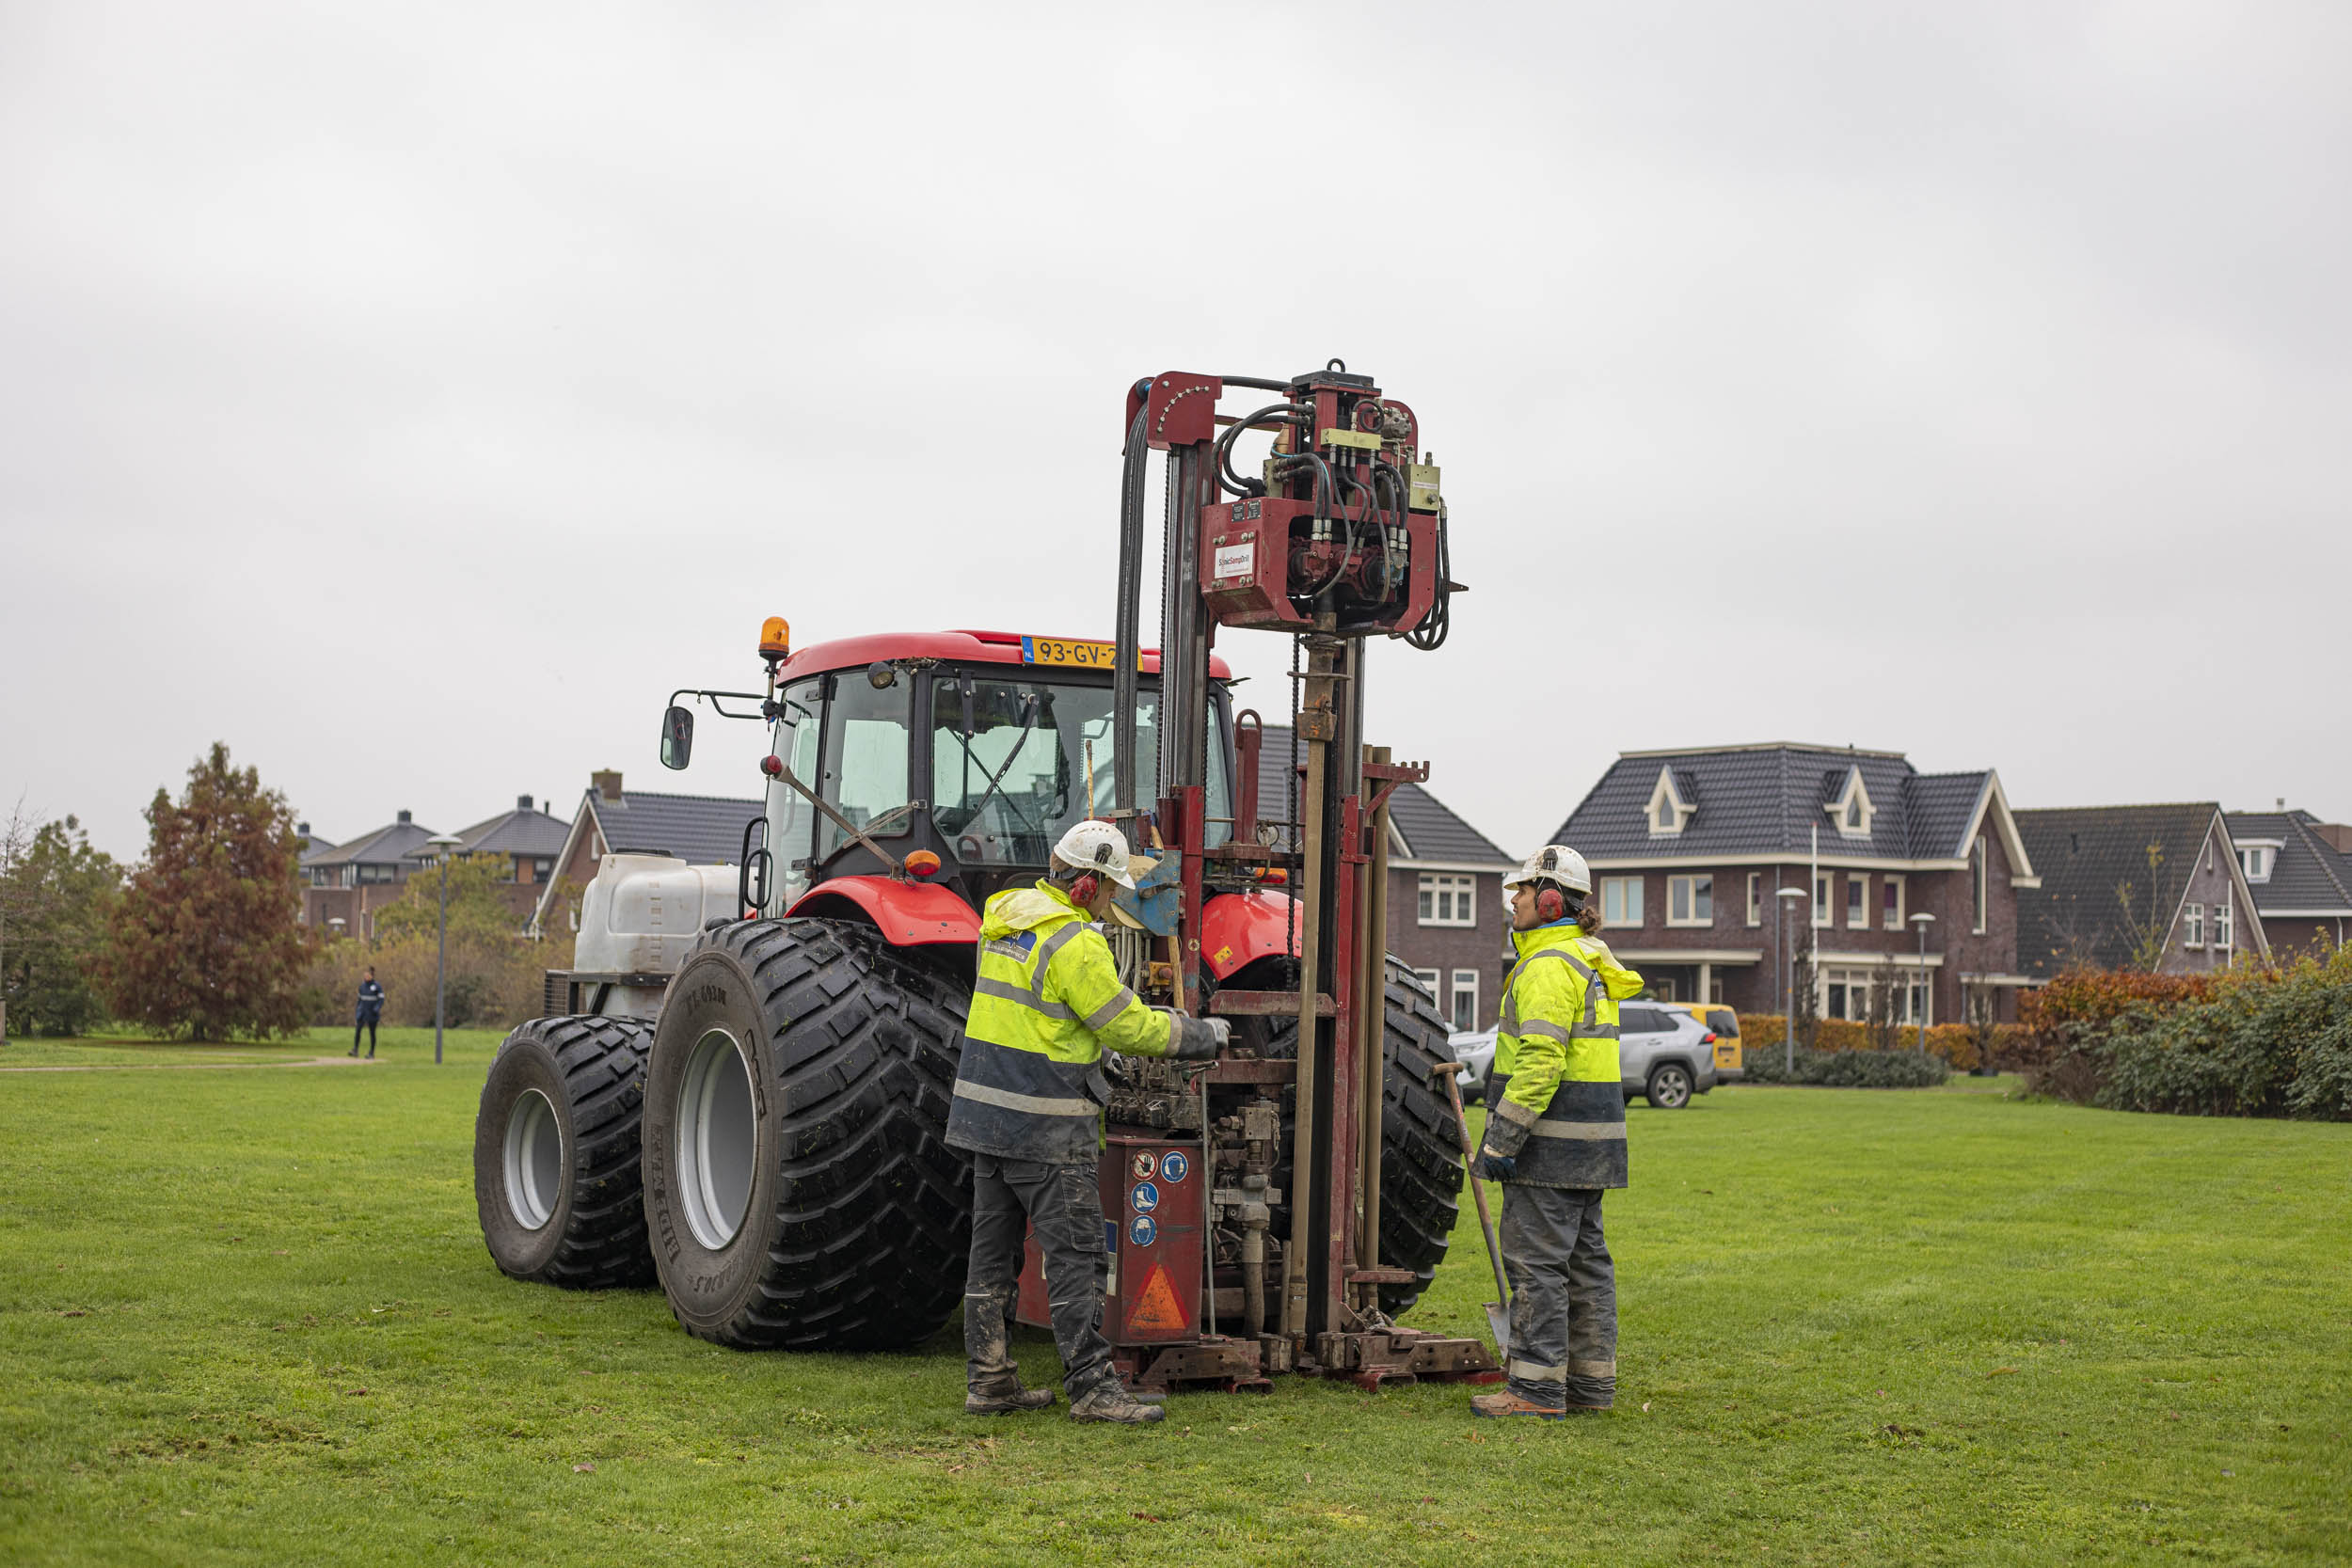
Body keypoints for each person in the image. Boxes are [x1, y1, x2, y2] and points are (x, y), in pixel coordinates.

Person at [946, 820, 1227, 1425]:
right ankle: (1094, 1388)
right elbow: (1124, 1023)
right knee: (1077, 1256)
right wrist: (1198, 1035)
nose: (1112, 900)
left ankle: (989, 1381)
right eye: (1109, 888)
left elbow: (1034, 1018)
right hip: (1045, 1123)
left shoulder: (1002, 924)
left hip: (986, 1117)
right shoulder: (1074, 941)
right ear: (1085, 885)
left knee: (991, 1258)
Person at [1469, 845, 1644, 1420]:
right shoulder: (1590, 962)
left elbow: (1541, 1064)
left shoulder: (1546, 967)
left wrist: (1501, 1141)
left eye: (1520, 891)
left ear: (1548, 901)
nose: (1512, 901)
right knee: (1587, 1263)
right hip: (1595, 1146)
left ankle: (1536, 1390)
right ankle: (1591, 1388)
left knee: (1538, 1265)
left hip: (1550, 1147)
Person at [351, 967, 385, 1058]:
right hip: (362, 1012)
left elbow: (381, 999)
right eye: (364, 975)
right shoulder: (362, 986)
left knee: (372, 1033)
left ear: (371, 976)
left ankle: (371, 1053)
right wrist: (358, 1011)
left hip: (372, 1013)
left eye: (367, 975)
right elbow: (360, 1000)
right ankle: (355, 1050)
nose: (365, 976)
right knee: (358, 1030)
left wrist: (377, 1008)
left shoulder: (377, 986)